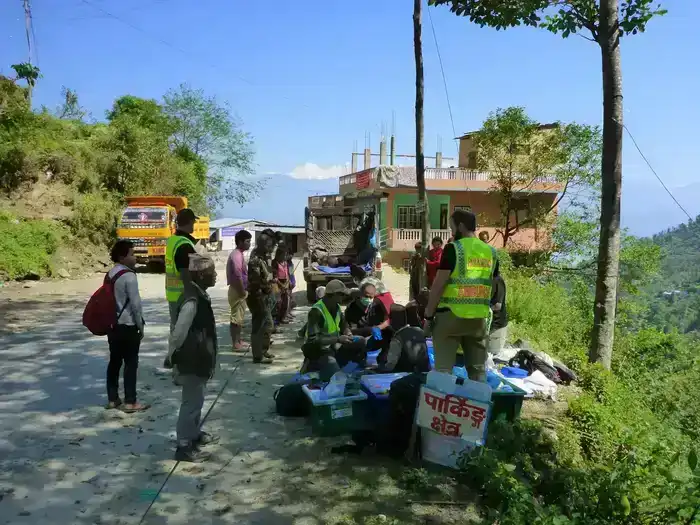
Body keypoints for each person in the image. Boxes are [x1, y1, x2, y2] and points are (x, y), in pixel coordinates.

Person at [424, 209, 499, 381]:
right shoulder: (491, 252)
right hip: (479, 320)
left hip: (450, 317)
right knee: (478, 371)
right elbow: (492, 285)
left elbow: (438, 285)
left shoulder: (454, 248)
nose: (451, 232)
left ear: (461, 226)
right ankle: (478, 406)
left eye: (452, 227)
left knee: (443, 371)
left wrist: (428, 316)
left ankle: (443, 406)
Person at [168, 254, 219, 463]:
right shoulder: (191, 300)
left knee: (197, 399)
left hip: (200, 358)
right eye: (211, 273)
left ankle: (194, 433)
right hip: (191, 360)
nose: (215, 276)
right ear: (199, 275)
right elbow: (178, 332)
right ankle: (183, 445)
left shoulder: (200, 295)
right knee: (190, 403)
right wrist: (171, 356)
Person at [106, 240, 148, 412]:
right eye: (131, 254)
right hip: (128, 324)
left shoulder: (110, 274)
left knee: (114, 362)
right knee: (131, 363)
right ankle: (130, 401)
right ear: (122, 257)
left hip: (112, 325)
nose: (134, 257)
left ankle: (113, 399)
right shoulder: (129, 276)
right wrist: (141, 326)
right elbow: (135, 305)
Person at [302, 280, 366, 380]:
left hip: (333, 347)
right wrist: (338, 339)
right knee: (335, 377)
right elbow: (314, 340)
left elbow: (343, 324)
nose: (343, 298)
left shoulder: (336, 307)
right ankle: (315, 366)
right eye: (341, 295)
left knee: (361, 341)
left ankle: (340, 364)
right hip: (318, 351)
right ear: (333, 295)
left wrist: (347, 332)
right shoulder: (316, 311)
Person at [164, 208, 199, 368]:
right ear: (191, 222)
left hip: (172, 294)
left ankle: (172, 358)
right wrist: (193, 293)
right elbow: (186, 272)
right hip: (183, 295)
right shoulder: (185, 245)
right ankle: (177, 360)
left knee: (175, 328)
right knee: (184, 331)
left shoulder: (172, 240)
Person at [246, 232, 276, 364]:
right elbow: (255, 281)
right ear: (262, 245)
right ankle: (257, 356)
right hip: (257, 297)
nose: (271, 249)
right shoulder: (255, 260)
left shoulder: (265, 257)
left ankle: (263, 350)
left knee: (268, 325)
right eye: (268, 246)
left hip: (265, 296)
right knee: (258, 327)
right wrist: (267, 286)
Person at [377, 304, 431, 373]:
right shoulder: (419, 330)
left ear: (392, 321)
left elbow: (390, 365)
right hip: (425, 372)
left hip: (407, 374)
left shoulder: (397, 339)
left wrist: (380, 368)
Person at [227, 229, 251, 351]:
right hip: (237, 290)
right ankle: (235, 343)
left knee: (240, 317)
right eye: (247, 241)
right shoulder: (236, 255)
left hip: (239, 289)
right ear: (240, 242)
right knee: (236, 318)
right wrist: (242, 291)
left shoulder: (240, 254)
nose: (249, 244)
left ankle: (239, 340)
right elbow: (238, 275)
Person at [488, 273, 508, 355]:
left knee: (491, 356)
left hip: (496, 327)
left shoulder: (497, 280)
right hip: (483, 325)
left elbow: (497, 306)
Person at [272, 246, 291, 325]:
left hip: (285, 283)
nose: (285, 257)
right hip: (277, 284)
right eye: (284, 255)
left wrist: (289, 282)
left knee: (285, 302)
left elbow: (288, 273)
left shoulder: (285, 263)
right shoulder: (274, 263)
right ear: (279, 255)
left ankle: (282, 318)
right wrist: (281, 285)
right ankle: (276, 320)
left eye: (286, 255)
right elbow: (275, 277)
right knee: (278, 303)